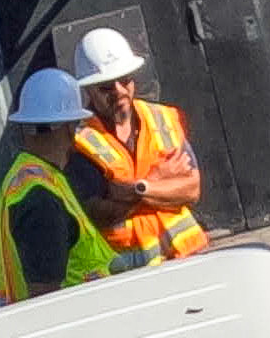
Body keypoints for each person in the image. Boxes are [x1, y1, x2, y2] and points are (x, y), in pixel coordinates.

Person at [68, 26, 209, 262]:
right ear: (88, 90)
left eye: (125, 80)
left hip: (188, 256)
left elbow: (191, 190)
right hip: (132, 275)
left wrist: (136, 189)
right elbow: (97, 214)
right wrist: (158, 180)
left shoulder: (162, 119)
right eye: (106, 87)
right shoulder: (81, 143)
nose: (119, 91)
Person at [0, 67, 127, 301]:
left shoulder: (27, 180)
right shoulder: (40, 198)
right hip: (78, 328)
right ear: (65, 128)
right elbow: (45, 300)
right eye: (75, 126)